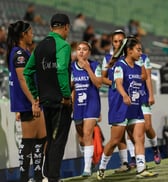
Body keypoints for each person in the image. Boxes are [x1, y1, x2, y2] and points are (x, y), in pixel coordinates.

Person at [97, 38, 158, 180]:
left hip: (135, 107)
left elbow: (144, 76)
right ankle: (102, 167)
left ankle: (141, 169)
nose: (140, 52)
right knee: (114, 141)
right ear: (129, 51)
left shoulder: (137, 67)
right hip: (121, 107)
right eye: (138, 49)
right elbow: (118, 83)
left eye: (141, 50)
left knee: (139, 138)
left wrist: (141, 62)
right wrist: (124, 95)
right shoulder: (119, 66)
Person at [23, 13, 72, 182]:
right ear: (66, 27)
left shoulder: (40, 47)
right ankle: (53, 178)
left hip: (46, 101)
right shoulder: (63, 46)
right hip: (60, 102)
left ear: (51, 27)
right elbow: (60, 70)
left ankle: (48, 176)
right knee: (58, 142)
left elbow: (27, 72)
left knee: (50, 140)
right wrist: (66, 96)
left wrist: (36, 95)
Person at [6, 20, 46, 182]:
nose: (32, 34)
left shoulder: (24, 52)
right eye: (30, 32)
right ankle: (25, 178)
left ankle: (37, 176)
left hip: (31, 101)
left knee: (41, 138)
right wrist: (33, 102)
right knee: (29, 141)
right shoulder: (19, 54)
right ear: (23, 35)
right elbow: (23, 80)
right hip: (27, 103)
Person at [101, 29, 131, 173]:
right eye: (115, 41)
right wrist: (115, 83)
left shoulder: (131, 56)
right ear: (112, 42)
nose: (118, 43)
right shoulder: (108, 58)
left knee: (134, 131)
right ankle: (125, 163)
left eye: (121, 41)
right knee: (119, 135)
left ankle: (139, 162)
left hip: (132, 99)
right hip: (116, 99)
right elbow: (102, 78)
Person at [71, 41, 102, 177]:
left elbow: (99, 84)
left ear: (89, 52)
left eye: (84, 49)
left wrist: (88, 69)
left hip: (92, 104)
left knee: (87, 133)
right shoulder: (71, 67)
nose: (81, 51)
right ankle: (90, 160)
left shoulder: (95, 65)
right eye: (79, 49)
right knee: (82, 138)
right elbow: (71, 87)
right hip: (78, 105)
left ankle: (87, 168)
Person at [127, 52, 161, 167]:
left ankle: (155, 147)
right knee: (130, 128)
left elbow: (148, 77)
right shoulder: (122, 60)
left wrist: (151, 94)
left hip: (142, 95)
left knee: (147, 126)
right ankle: (134, 156)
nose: (139, 51)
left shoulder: (144, 58)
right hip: (130, 96)